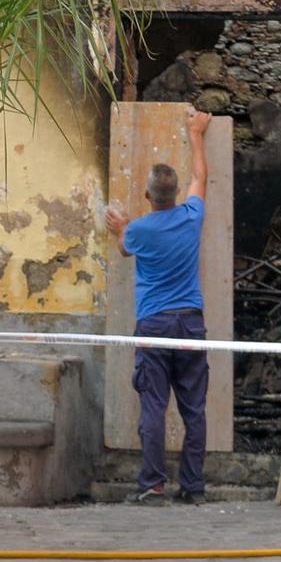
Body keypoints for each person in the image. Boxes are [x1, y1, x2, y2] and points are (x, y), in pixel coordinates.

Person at [106, 109, 212, 505]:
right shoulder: (191, 216)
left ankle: (152, 485)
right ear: (176, 192)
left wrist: (120, 227)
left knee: (153, 406)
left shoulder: (137, 231)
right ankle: (194, 486)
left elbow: (124, 247)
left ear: (149, 195)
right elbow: (202, 177)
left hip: (153, 327)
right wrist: (195, 132)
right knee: (194, 409)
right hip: (190, 325)